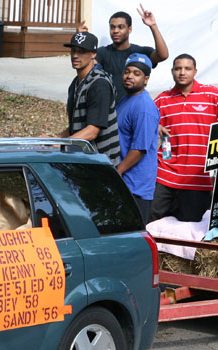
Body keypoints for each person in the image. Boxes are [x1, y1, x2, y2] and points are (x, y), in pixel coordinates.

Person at [150, 54, 218, 222]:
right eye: (178, 68)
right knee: (151, 220)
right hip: (165, 173)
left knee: (189, 226)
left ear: (195, 71)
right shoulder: (162, 100)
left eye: (187, 68)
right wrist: (154, 126)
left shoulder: (212, 95)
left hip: (198, 177)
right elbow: (145, 124)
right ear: (172, 71)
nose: (182, 72)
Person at [79, 5, 169, 103]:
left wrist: (153, 26)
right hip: (110, 111)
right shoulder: (102, 52)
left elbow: (162, 55)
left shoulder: (140, 52)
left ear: (129, 29)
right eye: (112, 27)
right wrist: (81, 40)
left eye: (120, 27)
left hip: (133, 108)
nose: (116, 31)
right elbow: (85, 66)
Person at [63, 31, 121, 165]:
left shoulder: (99, 84)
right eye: (73, 50)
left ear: (94, 54)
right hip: (83, 159)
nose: (75, 55)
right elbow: (74, 127)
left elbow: (92, 132)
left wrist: (61, 145)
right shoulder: (75, 83)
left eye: (82, 51)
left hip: (102, 163)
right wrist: (52, 141)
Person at [115, 53, 160, 223]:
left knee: (133, 235)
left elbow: (140, 149)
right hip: (124, 182)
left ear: (146, 79)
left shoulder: (144, 106)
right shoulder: (126, 100)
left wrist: (118, 171)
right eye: (127, 72)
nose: (129, 76)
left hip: (136, 186)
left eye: (136, 73)